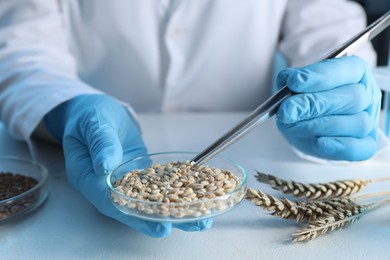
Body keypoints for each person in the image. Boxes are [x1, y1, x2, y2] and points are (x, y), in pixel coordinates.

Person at [0, 1, 382, 237]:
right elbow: (20, 47)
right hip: (70, 170)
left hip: (260, 151)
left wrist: (341, 84)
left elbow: (330, 28)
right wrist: (68, 108)